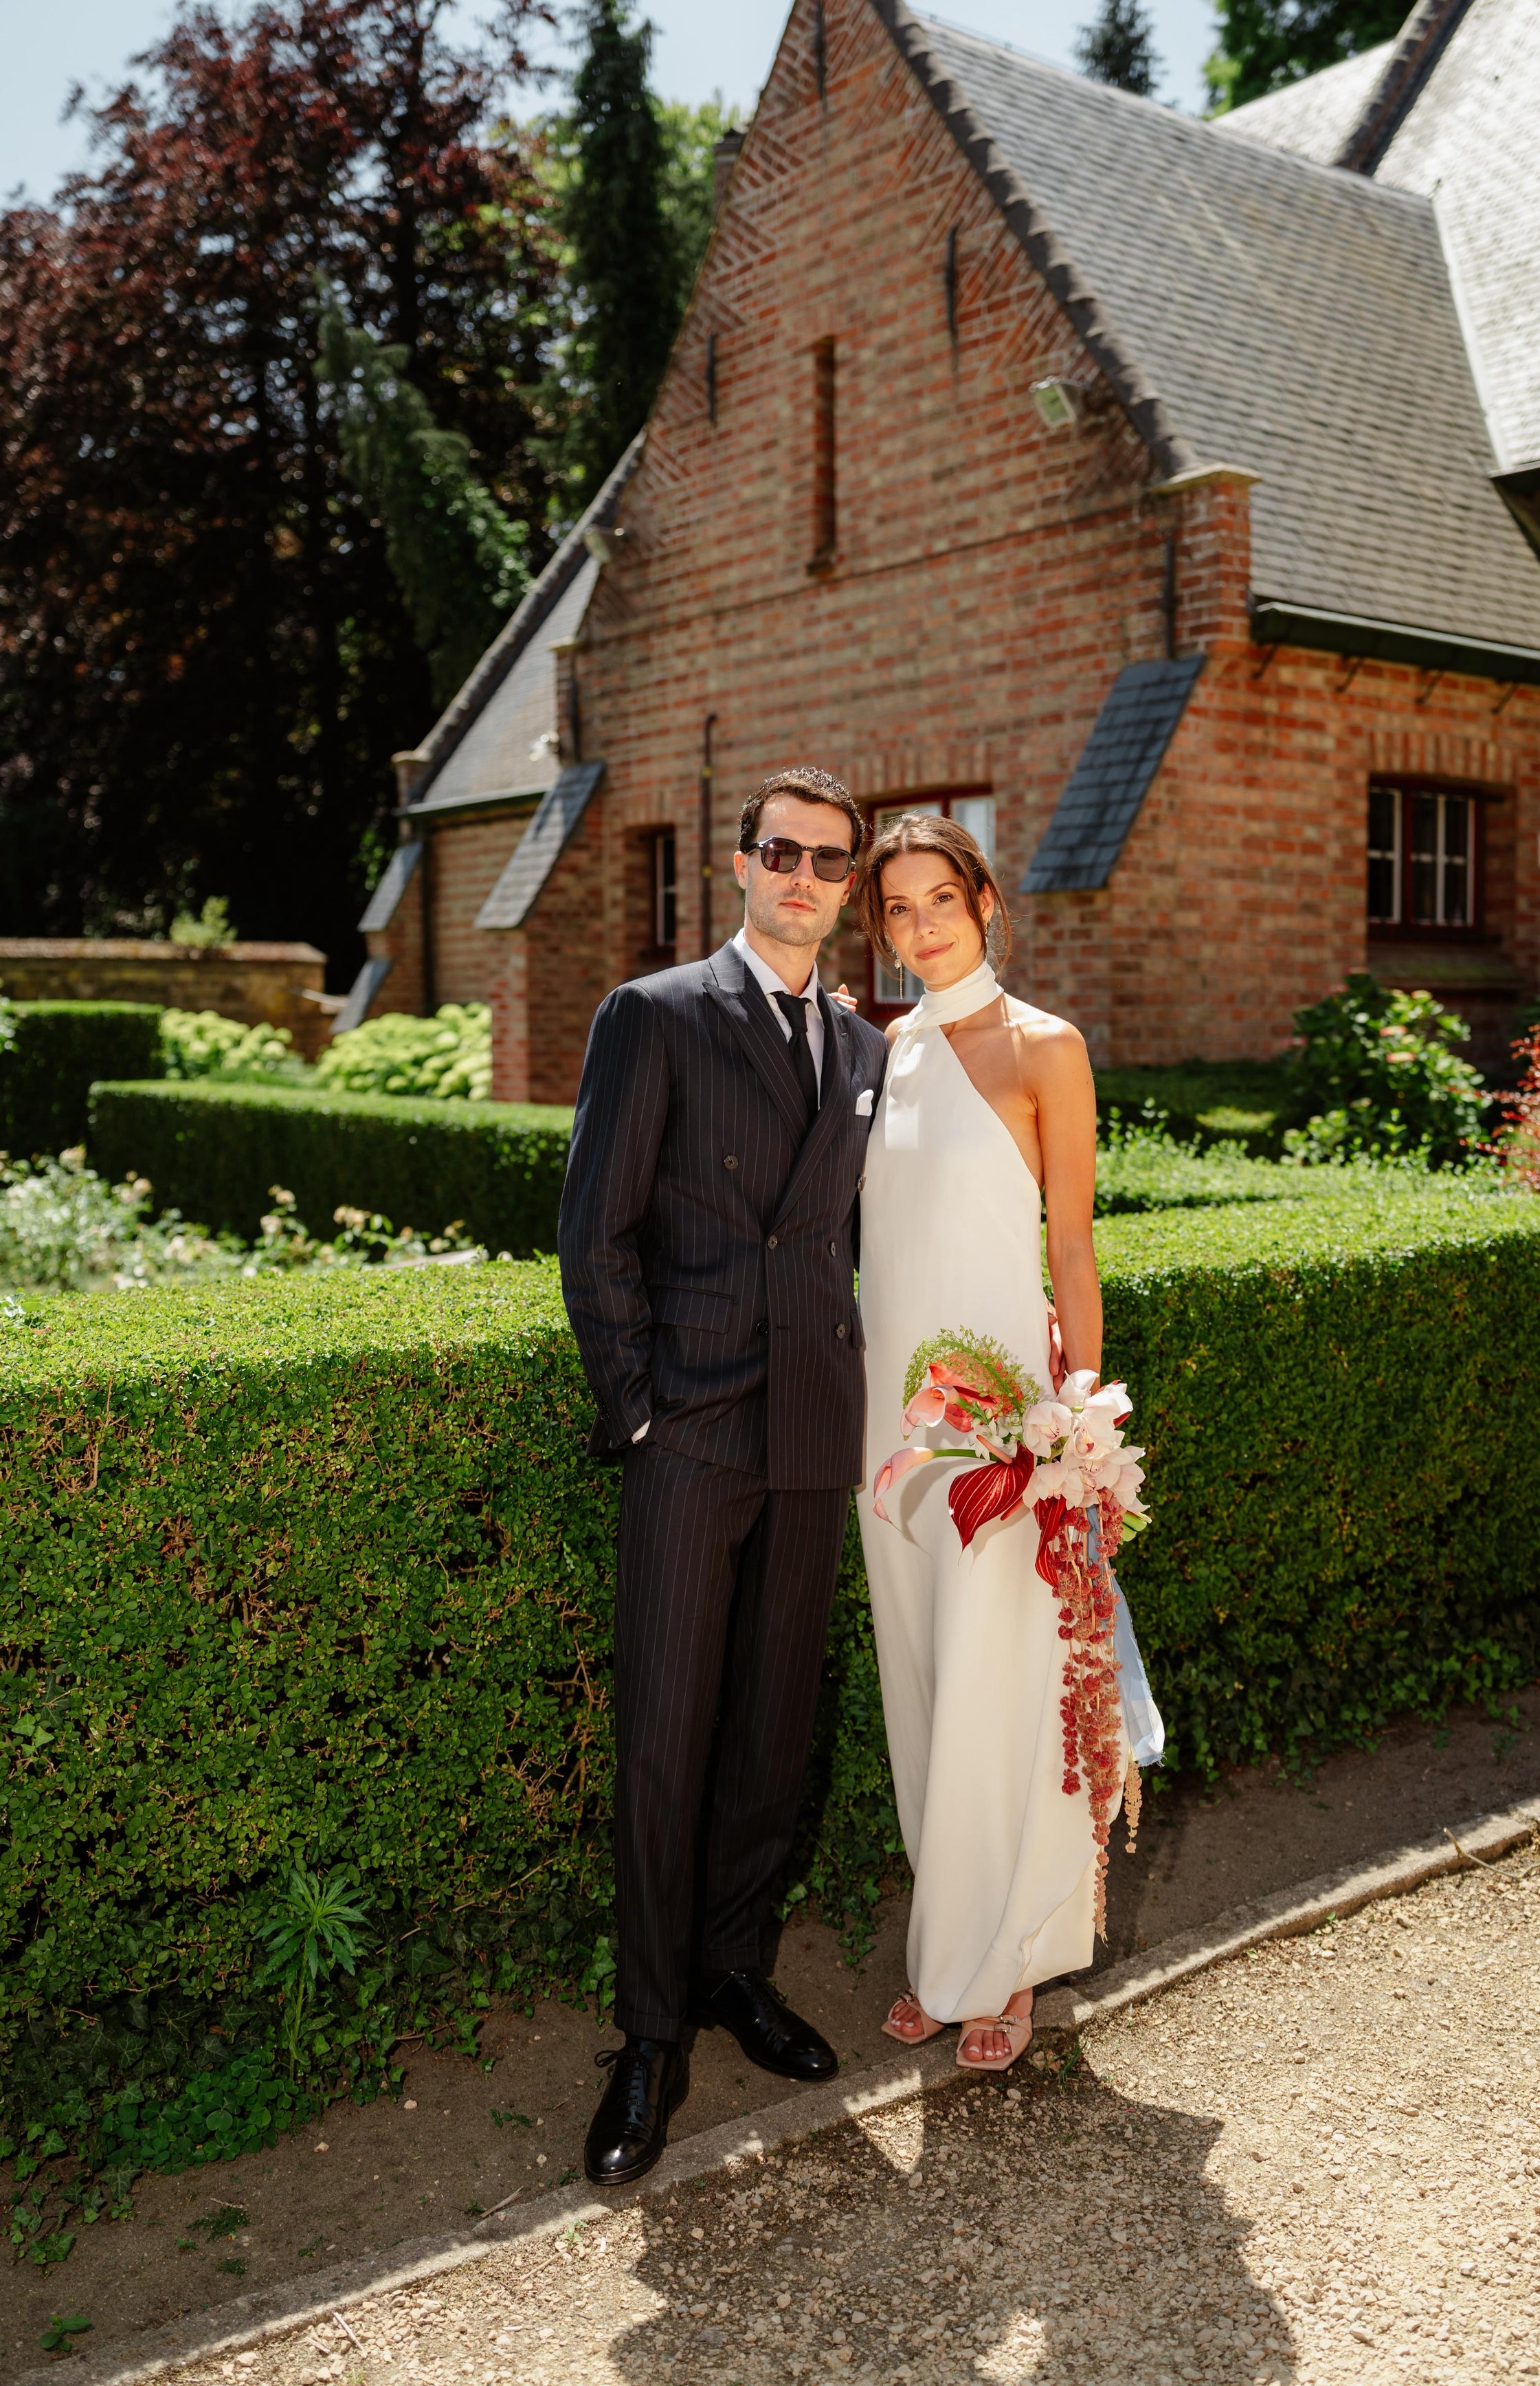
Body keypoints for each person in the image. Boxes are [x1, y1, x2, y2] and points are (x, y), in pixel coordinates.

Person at [558, 765, 888, 2186]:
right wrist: (641, 1415)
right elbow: (595, 1234)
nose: (803, 877)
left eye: (828, 861)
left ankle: (735, 1972)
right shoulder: (656, 1016)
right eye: (781, 852)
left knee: (768, 1732)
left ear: (849, 886)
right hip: (691, 1432)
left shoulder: (865, 1051)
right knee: (665, 1737)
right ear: (740, 867)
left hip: (812, 1435)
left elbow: (853, 1246)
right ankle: (648, 2036)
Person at [853, 811, 1158, 2070]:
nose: (921, 928)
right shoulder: (881, 1053)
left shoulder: (1048, 1049)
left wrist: (1077, 1411)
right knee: (922, 1673)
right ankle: (949, 1936)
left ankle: (1012, 1961)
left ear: (988, 906)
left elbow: (1074, 1245)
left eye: (941, 901)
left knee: (1006, 1682)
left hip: (1005, 1424)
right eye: (898, 911)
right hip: (891, 1422)